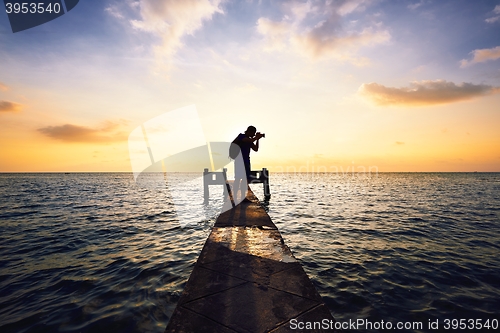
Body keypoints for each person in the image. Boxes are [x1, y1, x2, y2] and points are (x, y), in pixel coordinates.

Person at [231, 125, 264, 201]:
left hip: (246, 160)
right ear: (249, 131)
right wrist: (257, 137)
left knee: (245, 179)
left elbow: (255, 149)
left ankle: (243, 197)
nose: (254, 134)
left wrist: (258, 139)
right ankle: (234, 197)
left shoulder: (250, 139)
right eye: (253, 133)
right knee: (238, 179)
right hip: (239, 160)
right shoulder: (241, 136)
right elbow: (249, 141)